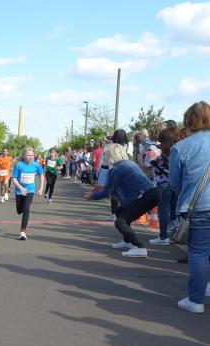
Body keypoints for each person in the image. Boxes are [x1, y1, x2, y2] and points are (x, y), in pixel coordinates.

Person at [169, 101, 210, 313]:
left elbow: (175, 183)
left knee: (199, 252)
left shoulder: (181, 147)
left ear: (188, 120)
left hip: (198, 205)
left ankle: (196, 300)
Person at [86, 143, 159, 258]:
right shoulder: (128, 163)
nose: (104, 157)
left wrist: (92, 196)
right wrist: (100, 188)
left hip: (144, 196)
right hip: (152, 193)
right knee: (120, 211)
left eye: (105, 154)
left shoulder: (116, 168)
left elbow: (108, 191)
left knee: (120, 221)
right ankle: (127, 241)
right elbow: (112, 186)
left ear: (111, 155)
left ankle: (139, 247)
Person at [148, 127, 182, 246]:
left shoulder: (165, 154)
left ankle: (163, 236)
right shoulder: (179, 151)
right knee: (174, 210)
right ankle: (172, 235)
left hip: (164, 184)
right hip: (176, 184)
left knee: (163, 210)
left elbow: (151, 163)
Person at [11, 148, 44, 240]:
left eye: (32, 155)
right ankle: (20, 211)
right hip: (19, 191)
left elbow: (41, 175)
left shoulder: (36, 165)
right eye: (28, 155)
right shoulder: (19, 165)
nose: (31, 157)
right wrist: (21, 188)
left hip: (30, 190)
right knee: (19, 211)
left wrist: (41, 188)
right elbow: (13, 178)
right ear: (24, 156)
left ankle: (23, 232)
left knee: (26, 209)